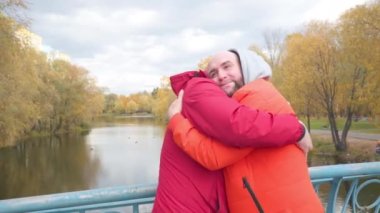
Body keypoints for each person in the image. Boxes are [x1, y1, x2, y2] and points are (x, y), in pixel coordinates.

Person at [152, 49, 313, 212]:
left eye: (227, 67)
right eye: (213, 73)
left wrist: (297, 128)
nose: (221, 76)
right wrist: (297, 128)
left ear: (245, 68)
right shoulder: (206, 93)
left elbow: (227, 139)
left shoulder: (256, 97)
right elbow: (235, 129)